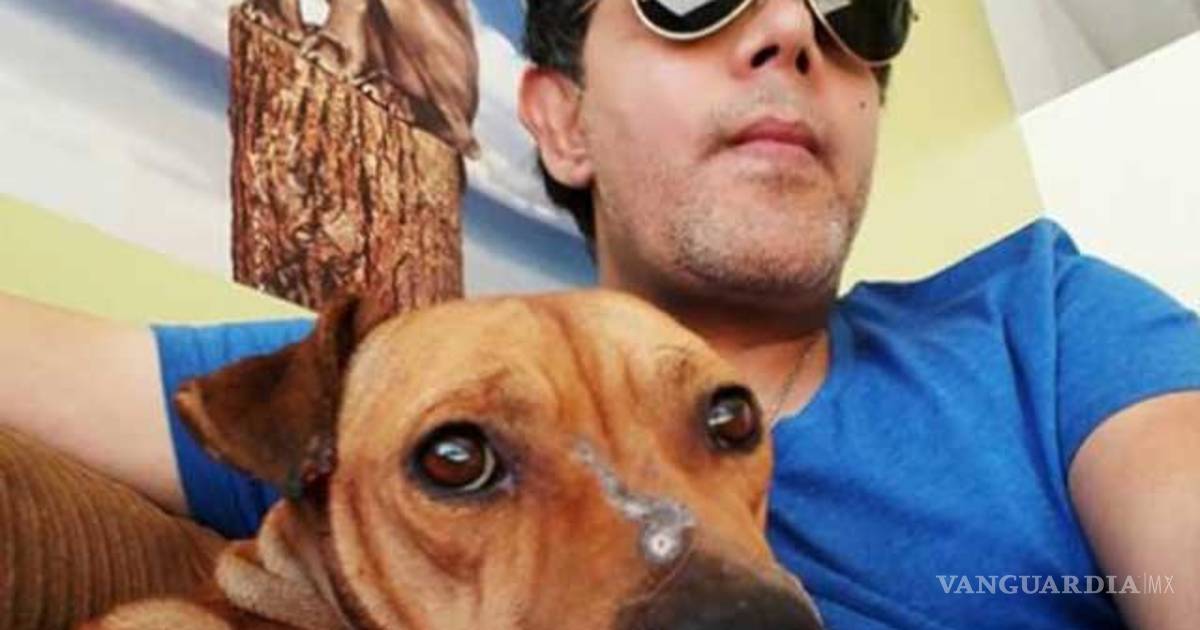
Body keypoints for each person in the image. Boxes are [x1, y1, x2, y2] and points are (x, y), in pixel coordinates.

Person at [2, 0, 1198, 627]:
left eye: (860, 12)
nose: (795, 29)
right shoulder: (397, 375)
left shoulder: (1045, 319)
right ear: (560, 120)